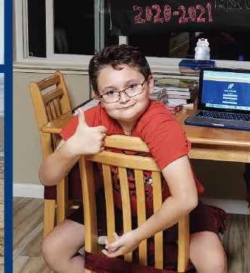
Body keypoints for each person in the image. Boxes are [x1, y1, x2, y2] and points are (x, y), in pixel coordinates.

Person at [39, 45, 228, 273]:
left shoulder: (162, 127)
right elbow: (47, 178)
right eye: (110, 92)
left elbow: (186, 199)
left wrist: (137, 236)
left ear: (149, 84)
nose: (123, 98)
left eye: (132, 87)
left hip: (170, 209)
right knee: (53, 248)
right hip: (116, 204)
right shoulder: (88, 120)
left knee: (214, 264)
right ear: (97, 96)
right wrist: (70, 149)